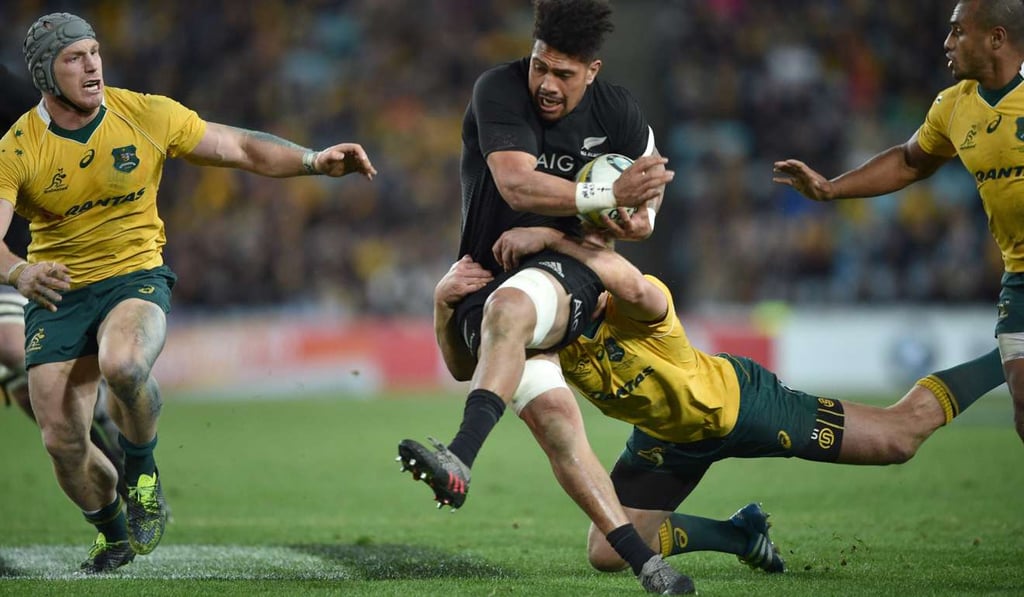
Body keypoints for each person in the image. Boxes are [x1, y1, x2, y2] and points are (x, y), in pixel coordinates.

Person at [0, 12, 376, 574]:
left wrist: (312, 160)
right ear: (44, 75)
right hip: (59, 295)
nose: (92, 65)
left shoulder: (145, 114)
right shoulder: (17, 148)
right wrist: (17, 273)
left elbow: (239, 147)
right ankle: (113, 533)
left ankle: (141, 472)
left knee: (124, 364)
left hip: (133, 278)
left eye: (95, 51)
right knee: (62, 442)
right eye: (74, 58)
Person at [437, 224, 1004, 575]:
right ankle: (738, 534)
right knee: (608, 553)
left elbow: (629, 284)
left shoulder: (637, 307)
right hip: (665, 441)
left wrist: (555, 239)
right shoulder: (555, 339)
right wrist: (444, 305)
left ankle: (1008, 354)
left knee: (899, 438)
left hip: (743, 405)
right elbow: (473, 367)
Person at [397, 1, 689, 594]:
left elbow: (646, 204)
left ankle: (459, 459)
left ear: (592, 71)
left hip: (568, 268)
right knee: (556, 422)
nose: (547, 84)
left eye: (563, 73)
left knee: (512, 309)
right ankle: (647, 564)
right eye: (539, 67)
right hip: (485, 274)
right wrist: (442, 305)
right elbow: (515, 183)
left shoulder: (620, 113)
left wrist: (640, 216)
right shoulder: (498, 90)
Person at [772, 0, 1024, 445]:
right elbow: (909, 162)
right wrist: (830, 189)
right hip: (1019, 275)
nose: (947, 43)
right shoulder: (954, 107)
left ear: (996, 38)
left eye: (958, 31)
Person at [0, 63, 126, 492]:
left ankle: (113, 450)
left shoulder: (9, 94)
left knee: (14, 349)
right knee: (25, 391)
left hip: (12, 245)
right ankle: (105, 458)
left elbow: (53, 121)